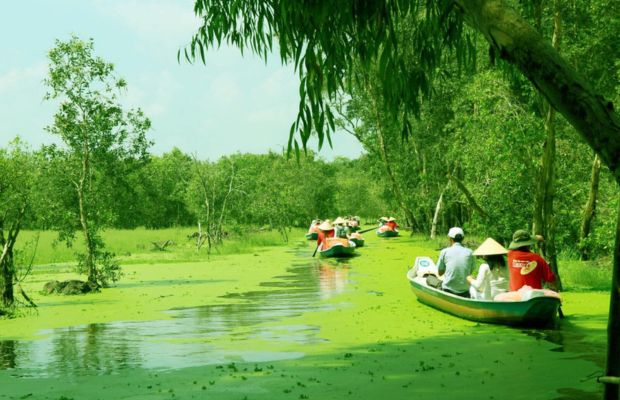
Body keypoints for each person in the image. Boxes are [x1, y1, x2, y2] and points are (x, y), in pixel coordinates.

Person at [434, 227, 475, 297]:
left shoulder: (444, 252)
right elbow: (470, 271)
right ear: (463, 238)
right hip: (465, 291)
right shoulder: (470, 252)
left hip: (448, 290)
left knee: (430, 279)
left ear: (450, 239)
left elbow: (440, 273)